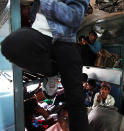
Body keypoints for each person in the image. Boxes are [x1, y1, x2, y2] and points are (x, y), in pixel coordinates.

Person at [1, 0, 90, 130]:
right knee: (10, 46)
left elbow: (74, 18)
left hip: (64, 40)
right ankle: (52, 71)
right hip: (40, 36)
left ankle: (56, 70)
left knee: (75, 99)